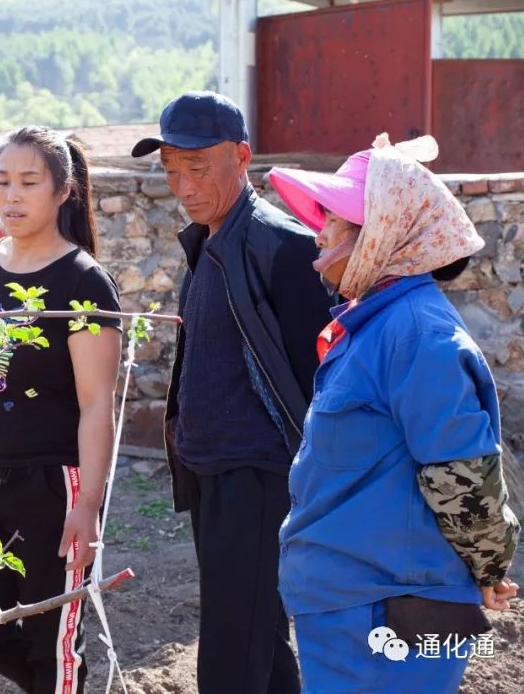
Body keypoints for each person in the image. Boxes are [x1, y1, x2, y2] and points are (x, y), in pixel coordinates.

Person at [270, 134, 522, 693]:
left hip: (388, 614)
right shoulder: (379, 326)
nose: (320, 233)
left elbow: (462, 478)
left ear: (381, 234)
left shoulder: (417, 335)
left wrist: (486, 568)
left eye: (334, 220)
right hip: (357, 607)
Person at [131, 91, 332, 694]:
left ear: (242, 157)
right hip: (213, 472)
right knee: (258, 639)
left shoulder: (282, 246)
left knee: (227, 657)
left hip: (260, 478)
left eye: (198, 167)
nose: (183, 185)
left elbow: (316, 379)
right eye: (171, 171)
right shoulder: (210, 239)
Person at [0, 126, 122, 694]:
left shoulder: (82, 282)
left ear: (63, 190)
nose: (12, 196)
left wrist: (88, 508)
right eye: (1, 182)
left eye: (28, 182)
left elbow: (98, 404)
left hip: (53, 487)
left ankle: (58, 678)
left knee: (51, 639)